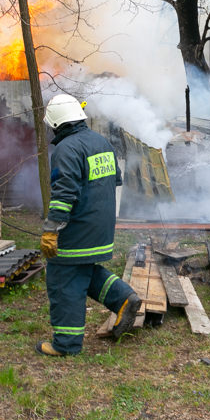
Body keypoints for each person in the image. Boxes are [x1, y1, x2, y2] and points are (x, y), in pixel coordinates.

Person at [36, 94, 142, 357]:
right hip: (102, 228)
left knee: (63, 278)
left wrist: (51, 231)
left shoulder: (66, 149)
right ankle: (123, 298)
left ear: (57, 124)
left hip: (78, 229)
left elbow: (64, 195)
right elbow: (115, 180)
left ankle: (66, 344)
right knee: (84, 271)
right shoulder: (101, 142)